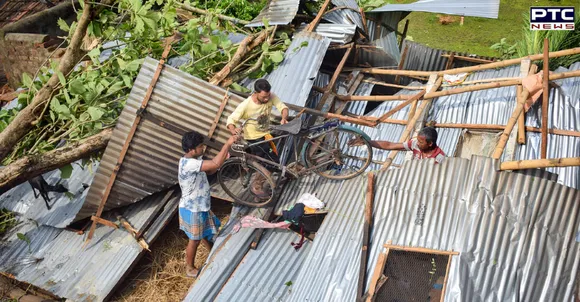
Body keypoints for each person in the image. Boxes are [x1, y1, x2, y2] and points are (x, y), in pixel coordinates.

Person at [178, 130, 237, 277]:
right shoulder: (189, 164)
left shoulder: (192, 160)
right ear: (191, 150)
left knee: (205, 233)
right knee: (195, 239)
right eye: (200, 146)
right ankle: (189, 268)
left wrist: (222, 158)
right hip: (193, 209)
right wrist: (228, 144)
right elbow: (215, 163)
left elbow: (211, 169)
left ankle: (212, 253)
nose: (202, 148)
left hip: (200, 205)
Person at [226, 79, 289, 195]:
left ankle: (262, 183)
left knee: (274, 161)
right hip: (254, 139)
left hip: (266, 135)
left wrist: (284, 117)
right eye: (264, 97)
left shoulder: (270, 96)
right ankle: (256, 187)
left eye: (268, 96)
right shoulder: (246, 105)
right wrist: (233, 130)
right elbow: (231, 120)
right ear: (255, 93)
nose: (267, 99)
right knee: (267, 163)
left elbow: (283, 107)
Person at [349, 127, 446, 164]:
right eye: (418, 140)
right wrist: (367, 142)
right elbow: (390, 145)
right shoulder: (414, 144)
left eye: (421, 142)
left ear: (430, 144)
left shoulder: (439, 158)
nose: (417, 143)